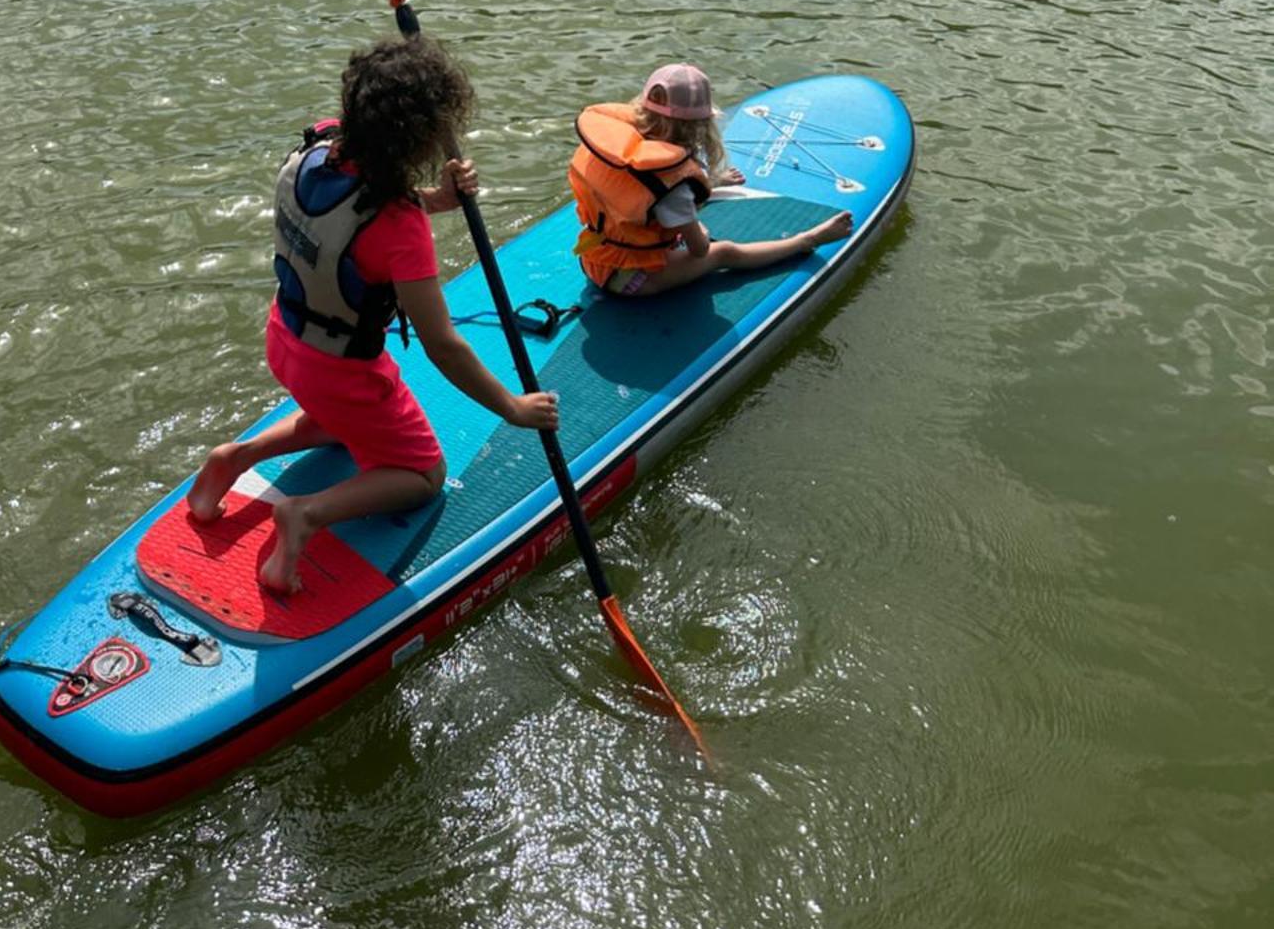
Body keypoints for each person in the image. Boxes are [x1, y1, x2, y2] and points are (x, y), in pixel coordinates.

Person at [188, 34, 558, 594]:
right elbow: (442, 344)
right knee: (423, 474)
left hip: (286, 340)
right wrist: (511, 406)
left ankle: (236, 457)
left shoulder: (317, 146)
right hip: (340, 372)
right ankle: (305, 515)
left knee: (342, 425)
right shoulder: (398, 225)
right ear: (421, 136)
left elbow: (356, 215)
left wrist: (439, 198)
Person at [569, 62, 852, 298]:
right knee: (724, 251)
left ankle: (708, 190)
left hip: (592, 258)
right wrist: (700, 231)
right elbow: (699, 249)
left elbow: (637, 192)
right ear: (699, 128)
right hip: (630, 280)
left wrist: (707, 185)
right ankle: (806, 240)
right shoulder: (674, 190)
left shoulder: (609, 149)